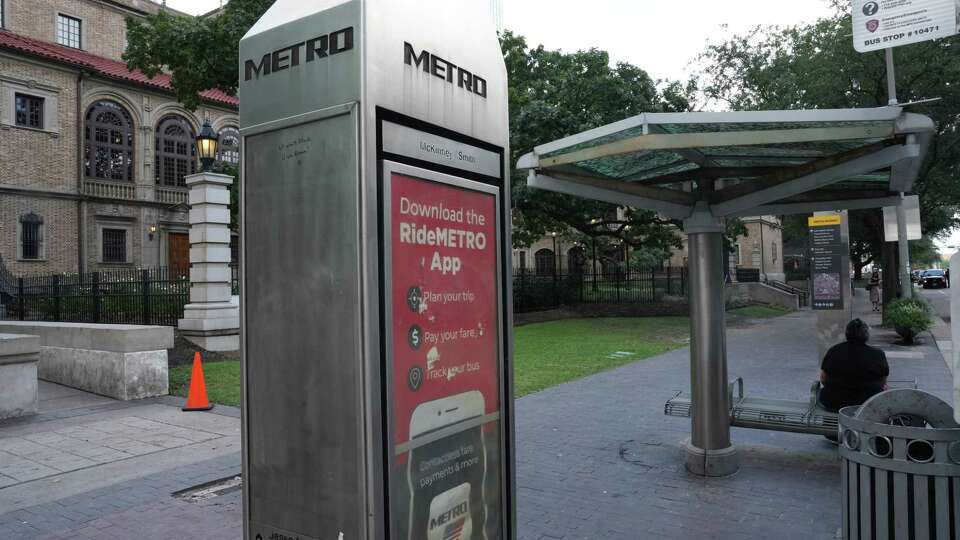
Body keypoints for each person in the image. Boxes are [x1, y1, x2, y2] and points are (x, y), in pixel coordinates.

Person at [818, 319, 889, 413]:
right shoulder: (878, 354)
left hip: (833, 403)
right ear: (866, 335)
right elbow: (883, 381)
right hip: (867, 405)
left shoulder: (834, 351)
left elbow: (823, 379)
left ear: (847, 333)